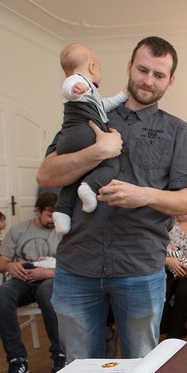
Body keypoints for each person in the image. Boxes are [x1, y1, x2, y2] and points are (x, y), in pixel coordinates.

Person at [36, 36, 187, 361]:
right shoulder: (89, 110)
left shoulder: (178, 132)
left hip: (139, 267)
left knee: (139, 367)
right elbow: (46, 175)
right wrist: (98, 151)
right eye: (142, 70)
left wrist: (144, 195)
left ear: (170, 81)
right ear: (129, 67)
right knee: (79, 367)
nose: (148, 80)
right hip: (78, 264)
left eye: (159, 75)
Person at [51, 43, 129, 235]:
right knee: (111, 165)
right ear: (92, 67)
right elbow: (67, 87)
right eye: (100, 68)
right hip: (83, 134)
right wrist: (74, 88)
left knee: (72, 179)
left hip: (68, 140)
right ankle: (90, 186)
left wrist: (122, 95)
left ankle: (61, 212)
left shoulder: (90, 94)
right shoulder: (78, 82)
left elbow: (103, 105)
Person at [0, 193, 65, 373]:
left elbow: (76, 265)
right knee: (1, 297)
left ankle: (60, 354)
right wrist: (10, 266)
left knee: (47, 293)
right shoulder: (18, 230)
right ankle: (16, 360)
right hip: (22, 280)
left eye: (56, 215)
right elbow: (1, 264)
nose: (53, 220)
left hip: (50, 279)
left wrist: (47, 273)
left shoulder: (64, 230)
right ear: (37, 211)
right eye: (49, 215)